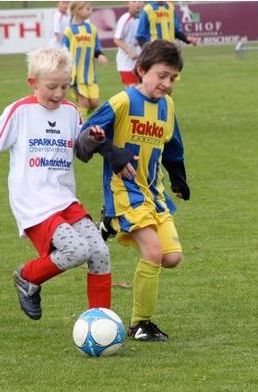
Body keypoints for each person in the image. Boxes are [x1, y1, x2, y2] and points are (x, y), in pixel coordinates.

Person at [0, 47, 135, 321]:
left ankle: (101, 322)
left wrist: (92, 138)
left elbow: (81, 152)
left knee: (100, 252)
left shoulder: (71, 111)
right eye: (52, 86)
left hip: (65, 199)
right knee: (77, 250)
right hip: (33, 202)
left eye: (65, 86)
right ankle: (27, 276)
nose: (59, 93)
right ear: (33, 82)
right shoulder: (19, 111)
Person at [82, 40, 191, 342]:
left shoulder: (167, 106)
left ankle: (110, 224)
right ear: (141, 70)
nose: (167, 83)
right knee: (153, 253)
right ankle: (141, 323)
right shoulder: (122, 102)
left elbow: (173, 145)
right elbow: (87, 134)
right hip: (125, 191)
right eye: (161, 75)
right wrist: (112, 153)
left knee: (172, 258)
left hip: (154, 194)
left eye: (173, 78)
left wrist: (179, 178)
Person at [62, 1, 108, 120]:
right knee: (84, 103)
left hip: (90, 75)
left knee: (94, 103)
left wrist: (100, 55)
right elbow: (64, 51)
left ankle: (76, 118)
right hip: (76, 75)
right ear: (77, 10)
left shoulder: (92, 29)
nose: (90, 10)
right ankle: (80, 127)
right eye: (87, 8)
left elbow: (96, 48)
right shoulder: (69, 31)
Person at [113, 1, 143, 88]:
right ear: (127, 3)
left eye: (139, 1)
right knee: (133, 93)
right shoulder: (125, 19)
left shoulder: (142, 18)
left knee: (142, 91)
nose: (137, 4)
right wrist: (130, 52)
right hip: (126, 64)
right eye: (133, 1)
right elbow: (117, 39)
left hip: (139, 62)